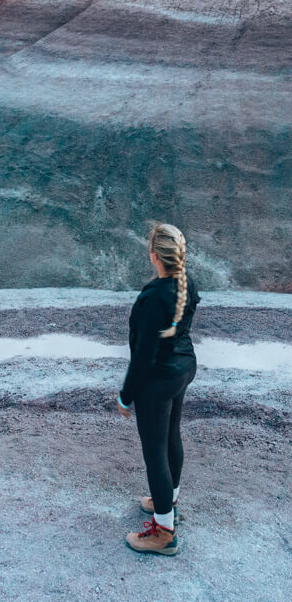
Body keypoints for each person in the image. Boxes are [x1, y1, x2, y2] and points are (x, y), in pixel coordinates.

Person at [116, 222, 200, 555]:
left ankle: (164, 533)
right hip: (181, 370)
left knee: (155, 453)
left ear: (154, 257)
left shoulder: (153, 298)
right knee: (171, 439)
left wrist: (126, 395)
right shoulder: (187, 284)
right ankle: (169, 505)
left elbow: (144, 356)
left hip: (159, 381)